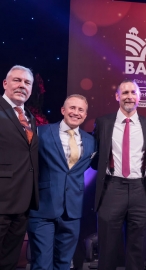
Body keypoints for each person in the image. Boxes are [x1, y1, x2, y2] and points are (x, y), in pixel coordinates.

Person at [92, 79, 146, 270]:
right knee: (107, 247)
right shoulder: (103, 123)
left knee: (138, 248)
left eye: (133, 93)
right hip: (112, 188)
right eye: (124, 93)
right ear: (117, 97)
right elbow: (95, 155)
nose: (129, 97)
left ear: (139, 97)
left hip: (141, 189)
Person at [27, 94, 96, 269]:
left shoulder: (90, 141)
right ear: (63, 110)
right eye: (72, 108)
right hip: (42, 209)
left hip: (72, 212)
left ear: (85, 115)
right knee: (42, 263)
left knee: (64, 263)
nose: (76, 112)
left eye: (81, 110)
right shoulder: (41, 132)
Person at [0, 65, 39, 270]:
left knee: (9, 261)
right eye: (17, 80)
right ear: (5, 84)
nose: (22, 86)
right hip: (1, 200)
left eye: (27, 83)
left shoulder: (29, 118)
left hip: (22, 204)